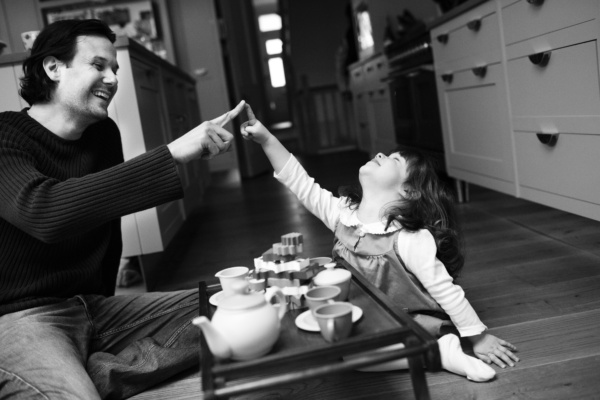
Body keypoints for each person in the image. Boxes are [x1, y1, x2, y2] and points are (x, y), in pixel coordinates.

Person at [0, 19, 246, 399]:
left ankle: (100, 372)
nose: (113, 78)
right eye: (98, 65)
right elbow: (43, 210)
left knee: (233, 309)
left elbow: (105, 229)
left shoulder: (103, 135)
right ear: (52, 68)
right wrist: (171, 154)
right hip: (20, 318)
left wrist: (108, 301)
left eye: (114, 68)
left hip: (93, 309)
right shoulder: (5, 135)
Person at [240, 108, 520, 382]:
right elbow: (299, 181)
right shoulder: (342, 214)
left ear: (408, 191)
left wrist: (479, 337)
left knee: (355, 360)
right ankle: (428, 353)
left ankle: (439, 352)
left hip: (408, 320)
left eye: (393, 160)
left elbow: (446, 290)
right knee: (331, 351)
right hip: (360, 318)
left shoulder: (410, 238)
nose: (379, 154)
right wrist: (266, 138)